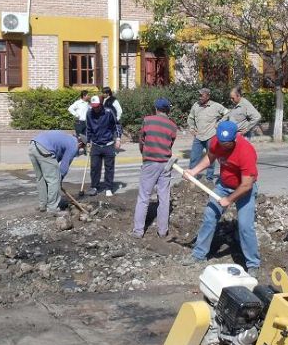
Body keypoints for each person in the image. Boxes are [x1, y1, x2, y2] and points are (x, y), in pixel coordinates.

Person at [183, 121, 261, 278]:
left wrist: (229, 199)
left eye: (227, 144)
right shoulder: (217, 142)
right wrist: (194, 170)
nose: (223, 146)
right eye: (221, 142)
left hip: (244, 189)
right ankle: (199, 254)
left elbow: (247, 184)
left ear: (234, 139)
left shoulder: (246, 151)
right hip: (224, 185)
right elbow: (210, 157)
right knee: (209, 216)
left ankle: (253, 264)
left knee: (245, 226)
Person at [132, 98, 177, 238]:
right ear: (168, 110)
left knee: (144, 197)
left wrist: (144, 154)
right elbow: (170, 144)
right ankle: (162, 231)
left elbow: (142, 140)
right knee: (164, 198)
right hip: (166, 164)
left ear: (156, 108)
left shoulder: (148, 120)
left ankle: (138, 231)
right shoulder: (172, 126)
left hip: (150, 162)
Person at [29, 130, 82, 213]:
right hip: (44, 148)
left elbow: (54, 160)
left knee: (41, 179)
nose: (80, 152)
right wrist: (59, 179)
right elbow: (64, 165)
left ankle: (43, 205)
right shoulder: (74, 144)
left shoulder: (67, 138)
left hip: (33, 146)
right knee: (54, 180)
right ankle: (52, 208)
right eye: (82, 149)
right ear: (80, 144)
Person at [187, 88, 227, 182]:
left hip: (211, 136)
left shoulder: (216, 106)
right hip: (199, 136)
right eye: (199, 95)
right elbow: (190, 118)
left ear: (208, 96)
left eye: (202, 95)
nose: (199, 97)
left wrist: (219, 123)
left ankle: (209, 178)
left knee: (211, 157)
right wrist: (192, 128)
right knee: (194, 157)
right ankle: (191, 176)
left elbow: (227, 114)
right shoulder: (196, 105)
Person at [85, 95, 121, 197]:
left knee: (109, 167)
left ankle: (108, 187)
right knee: (94, 167)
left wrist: (118, 138)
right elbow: (88, 128)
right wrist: (88, 142)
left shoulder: (109, 112)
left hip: (108, 144)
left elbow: (116, 125)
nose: (95, 109)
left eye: (97, 106)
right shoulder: (89, 113)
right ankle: (94, 187)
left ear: (101, 105)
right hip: (95, 144)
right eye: (93, 107)